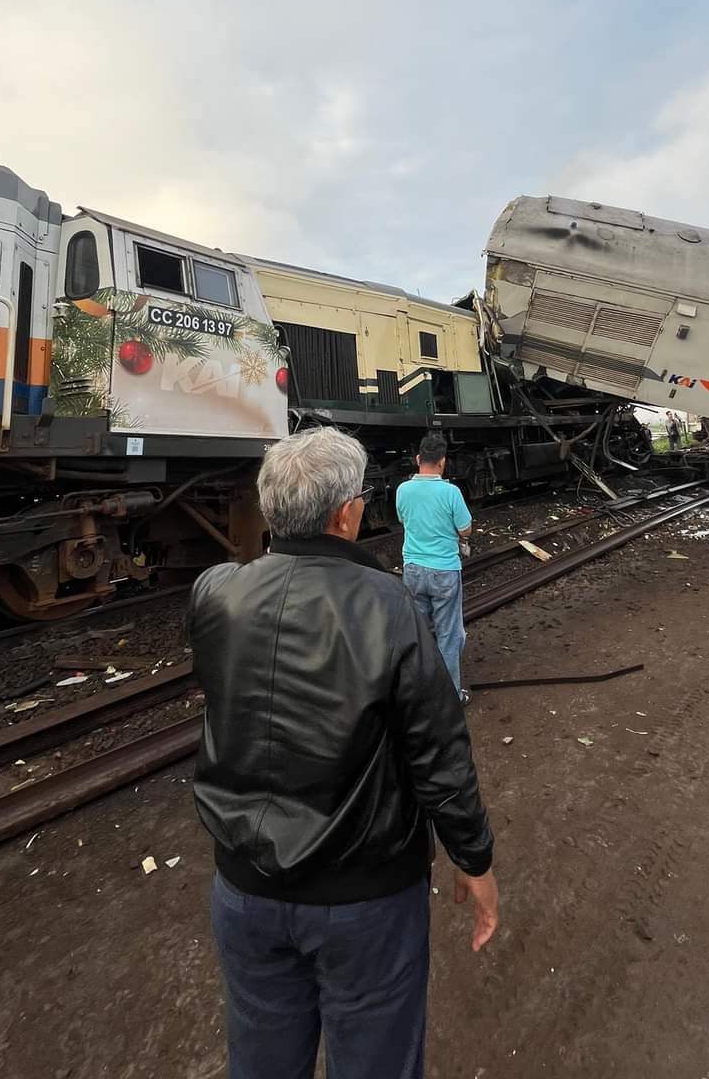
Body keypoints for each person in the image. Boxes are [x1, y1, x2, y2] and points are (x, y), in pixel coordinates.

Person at [190, 426, 498, 1079]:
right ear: (346, 512)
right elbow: (440, 753)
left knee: (261, 1061)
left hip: (243, 888)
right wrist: (474, 858)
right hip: (365, 897)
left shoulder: (216, 594)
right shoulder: (388, 606)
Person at [395, 432, 473, 702]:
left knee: (418, 633)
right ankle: (451, 697)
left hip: (413, 570)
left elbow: (404, 521)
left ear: (418, 459)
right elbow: (465, 529)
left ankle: (419, 693)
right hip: (444, 571)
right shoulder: (451, 492)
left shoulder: (403, 490)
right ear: (442, 462)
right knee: (449, 635)